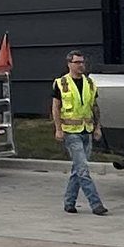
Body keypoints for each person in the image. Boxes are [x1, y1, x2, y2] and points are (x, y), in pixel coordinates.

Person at [51, 50, 109, 216]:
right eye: (77, 62)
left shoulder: (89, 83)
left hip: (87, 131)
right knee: (83, 170)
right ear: (69, 64)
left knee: (77, 169)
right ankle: (96, 204)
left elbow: (95, 107)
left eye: (82, 62)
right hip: (71, 132)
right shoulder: (61, 83)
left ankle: (69, 202)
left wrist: (97, 128)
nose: (81, 65)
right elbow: (56, 108)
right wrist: (58, 129)